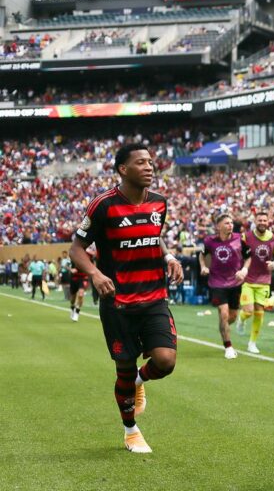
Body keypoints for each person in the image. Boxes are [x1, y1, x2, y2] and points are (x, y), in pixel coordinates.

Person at [69, 142, 184, 454]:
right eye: (141, 162)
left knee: (166, 361)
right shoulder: (103, 205)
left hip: (155, 297)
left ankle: (137, 381)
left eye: (150, 162)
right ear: (123, 169)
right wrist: (95, 274)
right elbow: (76, 249)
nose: (149, 167)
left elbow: (154, 235)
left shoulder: (159, 203)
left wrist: (169, 256)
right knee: (123, 366)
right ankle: (131, 430)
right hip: (118, 303)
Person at [238, 211, 274, 354]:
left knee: (259, 313)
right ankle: (241, 319)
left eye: (265, 220)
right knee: (248, 311)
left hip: (264, 281)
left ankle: (252, 343)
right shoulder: (246, 236)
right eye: (260, 220)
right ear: (255, 221)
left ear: (268, 222)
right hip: (248, 280)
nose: (262, 223)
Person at [199, 214, 245, 359]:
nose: (230, 225)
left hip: (235, 282)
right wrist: (203, 267)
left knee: (232, 317)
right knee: (223, 313)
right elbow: (202, 255)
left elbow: (249, 256)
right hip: (217, 282)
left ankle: (223, 327)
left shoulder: (240, 239)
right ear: (218, 226)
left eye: (231, 223)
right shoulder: (209, 241)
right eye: (227, 223)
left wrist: (244, 270)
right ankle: (228, 347)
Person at [68, 247, 92, 322]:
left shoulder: (89, 255)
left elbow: (91, 265)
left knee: (81, 295)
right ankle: (72, 308)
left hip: (83, 277)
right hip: (74, 278)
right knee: (73, 298)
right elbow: (68, 265)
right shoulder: (73, 255)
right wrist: (71, 269)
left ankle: (77, 312)